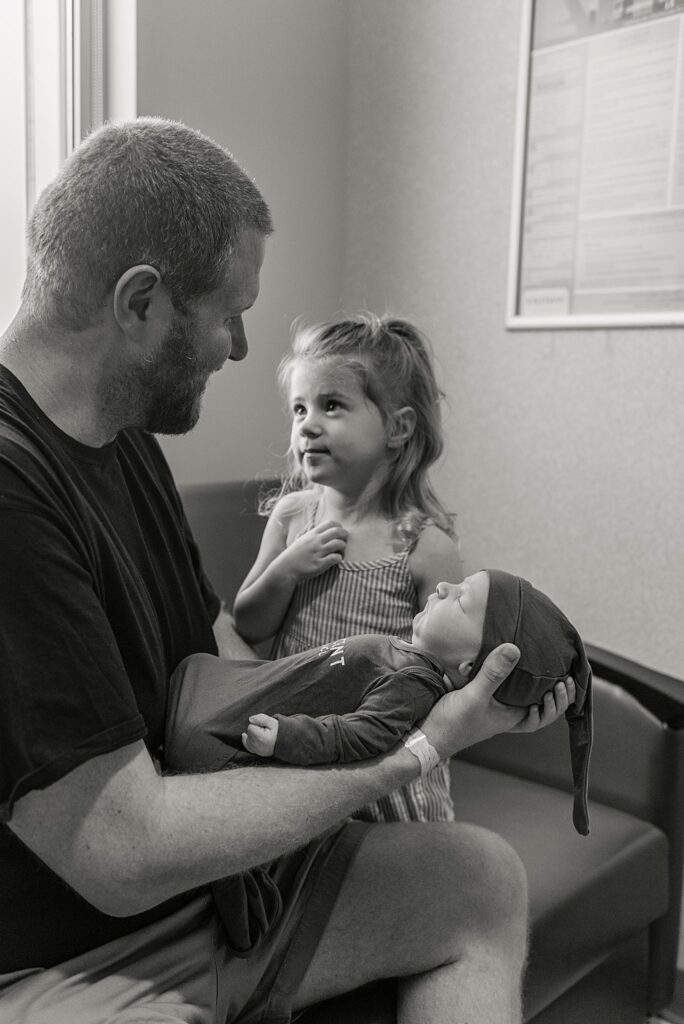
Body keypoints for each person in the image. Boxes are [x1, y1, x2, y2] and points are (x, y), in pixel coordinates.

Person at [0, 116, 574, 1024]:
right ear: (141, 302)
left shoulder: (124, 441)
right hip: (80, 943)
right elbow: (120, 852)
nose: (236, 344)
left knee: (482, 876)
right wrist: (420, 749)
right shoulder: (12, 490)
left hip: (208, 884)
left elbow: (216, 659)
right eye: (228, 311)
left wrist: (416, 682)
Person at [166, 569, 592, 957]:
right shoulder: (410, 660)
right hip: (220, 688)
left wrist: (287, 736)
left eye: (461, 600)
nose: (444, 587)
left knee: (229, 847)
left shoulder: (415, 684)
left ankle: (241, 910)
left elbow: (361, 736)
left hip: (215, 736)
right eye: (459, 584)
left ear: (470, 665)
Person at [233, 313, 464, 822]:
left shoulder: (425, 547)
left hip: (382, 766)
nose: (306, 425)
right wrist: (287, 570)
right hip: (294, 752)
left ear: (398, 427)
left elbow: (448, 671)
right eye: (299, 408)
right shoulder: (293, 517)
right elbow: (248, 624)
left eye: (331, 405)